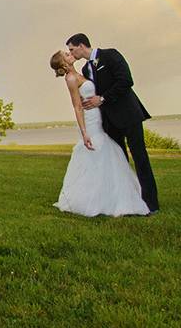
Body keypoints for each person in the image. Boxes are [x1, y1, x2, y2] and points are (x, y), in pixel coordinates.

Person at [49, 48, 151, 217]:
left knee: (108, 152)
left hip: (98, 115)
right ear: (64, 64)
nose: (70, 54)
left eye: (69, 51)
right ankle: (97, 197)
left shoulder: (82, 72)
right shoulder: (71, 78)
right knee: (100, 152)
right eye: (66, 54)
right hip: (90, 121)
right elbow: (77, 106)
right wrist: (84, 133)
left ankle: (113, 193)